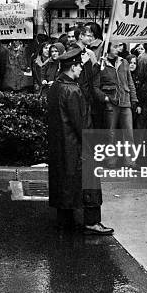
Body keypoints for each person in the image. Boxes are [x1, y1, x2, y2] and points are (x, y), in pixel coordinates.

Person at [47, 47, 113, 235]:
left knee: (64, 182)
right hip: (76, 146)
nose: (80, 70)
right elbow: (82, 123)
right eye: (79, 67)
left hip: (61, 146)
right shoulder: (72, 90)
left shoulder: (56, 87)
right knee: (90, 181)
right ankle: (92, 222)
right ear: (73, 67)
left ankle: (65, 220)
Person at [93, 41, 138, 146]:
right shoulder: (101, 65)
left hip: (125, 101)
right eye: (115, 47)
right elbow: (95, 87)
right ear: (107, 48)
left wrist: (134, 99)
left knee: (129, 135)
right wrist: (105, 99)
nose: (118, 49)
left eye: (119, 47)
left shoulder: (124, 62)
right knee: (111, 135)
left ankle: (130, 161)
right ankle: (111, 162)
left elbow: (130, 82)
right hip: (111, 104)